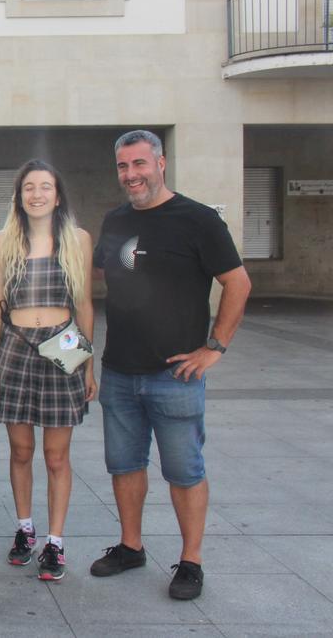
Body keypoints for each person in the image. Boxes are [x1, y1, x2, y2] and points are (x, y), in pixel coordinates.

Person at [90, 130, 251, 600]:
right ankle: (130, 546)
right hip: (119, 369)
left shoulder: (198, 220)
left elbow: (238, 284)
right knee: (123, 466)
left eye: (140, 164)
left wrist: (214, 347)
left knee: (184, 470)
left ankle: (191, 561)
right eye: (123, 166)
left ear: (161, 163)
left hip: (175, 375)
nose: (131, 175)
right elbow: (102, 271)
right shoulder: (115, 220)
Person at [0, 159, 97, 581]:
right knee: (20, 451)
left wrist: (87, 365)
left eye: (45, 187)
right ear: (19, 195)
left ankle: (56, 542)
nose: (36, 194)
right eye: (29, 187)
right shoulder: (4, 240)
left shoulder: (78, 240)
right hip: (15, 346)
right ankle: (25, 530)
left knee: (56, 456)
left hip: (63, 344)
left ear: (58, 194)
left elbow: (84, 305)